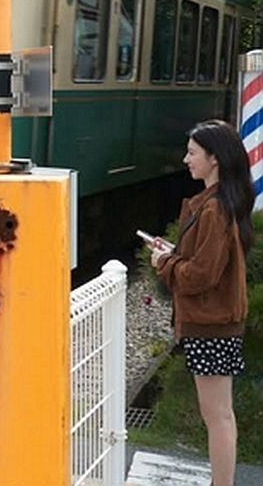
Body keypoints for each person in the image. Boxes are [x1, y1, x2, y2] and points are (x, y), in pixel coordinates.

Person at [149, 119, 250, 486]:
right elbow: (207, 264)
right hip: (214, 320)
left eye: (193, 153)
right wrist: (175, 254)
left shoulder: (213, 209)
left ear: (215, 159)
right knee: (219, 414)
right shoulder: (220, 204)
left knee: (218, 415)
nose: (186, 159)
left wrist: (165, 263)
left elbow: (201, 275)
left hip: (211, 322)